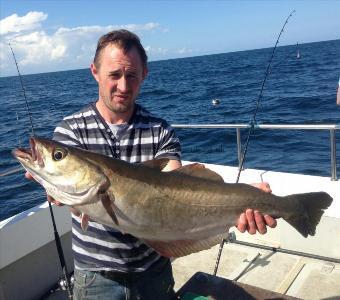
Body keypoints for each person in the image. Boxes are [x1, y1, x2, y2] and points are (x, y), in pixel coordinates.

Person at [26, 29, 276, 299]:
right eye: (114, 75)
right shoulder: (71, 132)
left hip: (153, 272)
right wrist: (53, 188)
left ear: (144, 74)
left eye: (131, 75)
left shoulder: (159, 129)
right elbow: (68, 195)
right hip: (96, 276)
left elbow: (177, 183)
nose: (123, 86)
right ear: (94, 72)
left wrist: (242, 199)